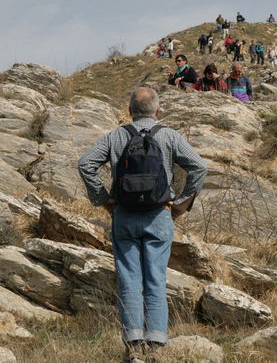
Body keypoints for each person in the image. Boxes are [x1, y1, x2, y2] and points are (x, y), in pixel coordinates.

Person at [77, 87, 208, 363]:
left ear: (129, 111)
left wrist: (104, 200)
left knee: (129, 280)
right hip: (159, 216)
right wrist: (182, 203)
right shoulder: (170, 135)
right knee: (155, 280)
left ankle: (134, 349)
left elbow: (86, 163)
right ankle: (157, 348)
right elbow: (199, 167)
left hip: (123, 215)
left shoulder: (116, 135)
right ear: (158, 111)